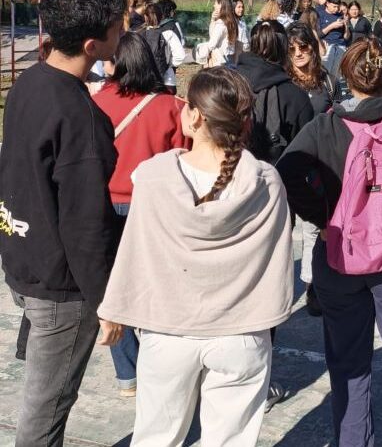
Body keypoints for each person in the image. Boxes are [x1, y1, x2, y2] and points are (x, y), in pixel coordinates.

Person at [98, 67, 294, 445]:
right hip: (242, 333)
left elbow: (134, 250)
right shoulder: (267, 181)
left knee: (156, 437)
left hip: (169, 331)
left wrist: (113, 310)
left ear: (195, 115)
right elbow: (278, 255)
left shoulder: (152, 177)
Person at [277, 37, 382, 447]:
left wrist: (323, 217)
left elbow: (287, 172)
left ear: (345, 77)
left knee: (348, 363)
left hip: (339, 256)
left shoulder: (325, 126)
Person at [0, 0, 126, 444]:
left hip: (24, 255)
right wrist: (105, 302)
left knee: (42, 386)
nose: (123, 34)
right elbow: (85, 224)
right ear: (94, 45)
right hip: (63, 286)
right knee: (47, 405)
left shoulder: (30, 81)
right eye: (118, 28)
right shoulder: (82, 119)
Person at [92, 31, 190, 397]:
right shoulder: (170, 107)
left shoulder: (97, 102)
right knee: (153, 285)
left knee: (115, 287)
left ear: (116, 63)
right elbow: (183, 156)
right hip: (151, 207)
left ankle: (127, 374)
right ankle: (159, 364)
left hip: (105, 205)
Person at [284, 23, 343, 316]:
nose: (298, 54)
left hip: (318, 166)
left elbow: (338, 117)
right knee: (282, 229)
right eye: (292, 49)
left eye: (303, 47)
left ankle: (312, 284)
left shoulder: (327, 81)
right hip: (286, 163)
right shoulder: (284, 82)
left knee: (312, 227)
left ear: (313, 47)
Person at [236, 20, 314, 164]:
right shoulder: (297, 97)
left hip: (226, 173)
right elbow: (306, 152)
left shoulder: (227, 83)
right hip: (277, 178)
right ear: (285, 48)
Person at [142, 3, 185, 94]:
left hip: (145, 80)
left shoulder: (139, 35)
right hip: (167, 80)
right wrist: (168, 64)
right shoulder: (169, 34)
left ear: (145, 17)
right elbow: (180, 56)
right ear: (162, 17)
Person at [319, 0, 349, 77]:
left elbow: (346, 37)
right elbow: (318, 34)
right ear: (327, 3)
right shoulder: (320, 15)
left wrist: (346, 26)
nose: (336, 9)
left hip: (340, 46)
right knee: (325, 72)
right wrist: (332, 26)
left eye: (337, 7)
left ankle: (336, 89)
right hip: (327, 47)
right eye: (334, 6)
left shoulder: (340, 16)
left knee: (337, 74)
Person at [207, 0, 239, 67]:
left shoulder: (221, 23)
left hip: (221, 59)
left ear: (221, 5)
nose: (214, 5)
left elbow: (212, 43)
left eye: (216, 3)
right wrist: (213, 20)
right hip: (230, 58)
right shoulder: (232, 21)